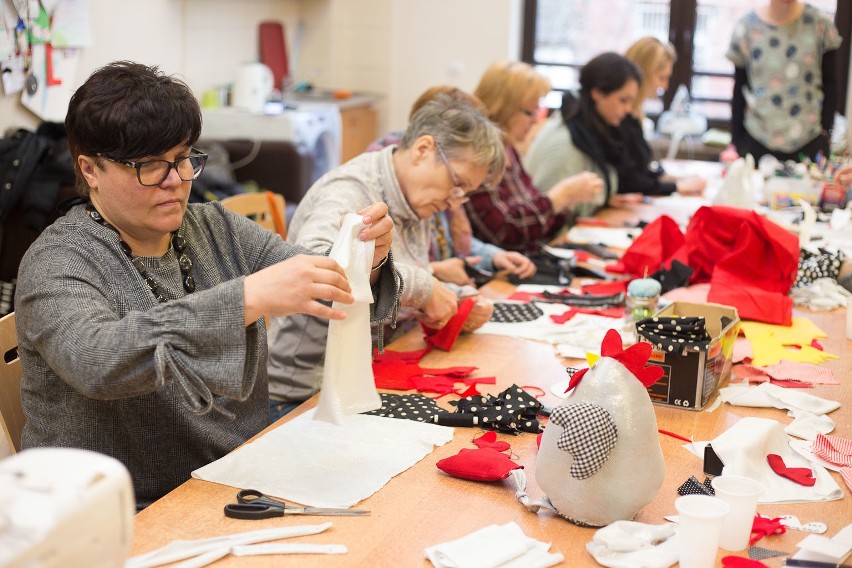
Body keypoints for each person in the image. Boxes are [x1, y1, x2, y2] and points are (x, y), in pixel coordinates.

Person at [14, 61, 398, 510]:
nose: (176, 181)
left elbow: (318, 277)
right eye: (150, 166)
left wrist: (364, 258)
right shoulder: (58, 260)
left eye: (182, 159)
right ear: (91, 169)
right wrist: (246, 298)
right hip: (118, 510)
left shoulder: (214, 226)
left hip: (235, 473)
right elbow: (99, 360)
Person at [266, 94, 506, 419]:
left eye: (463, 193)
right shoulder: (349, 190)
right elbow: (317, 273)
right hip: (308, 396)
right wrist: (426, 288)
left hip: (369, 375)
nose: (454, 202)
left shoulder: (414, 196)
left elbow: (398, 276)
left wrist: (455, 299)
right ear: (423, 150)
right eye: (457, 184)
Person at [366, 85, 537, 286]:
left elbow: (447, 241)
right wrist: (435, 271)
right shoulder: (391, 184)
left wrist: (493, 257)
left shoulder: (441, 180)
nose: (454, 199)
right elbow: (377, 270)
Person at [524, 53, 705, 212]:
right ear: (598, 94)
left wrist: (603, 200)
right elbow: (547, 207)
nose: (627, 109)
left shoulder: (588, 127)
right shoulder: (567, 139)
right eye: (623, 100)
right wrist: (600, 200)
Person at [464, 61, 604, 253]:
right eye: (530, 112)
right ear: (503, 107)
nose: (535, 119)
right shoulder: (477, 154)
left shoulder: (508, 147)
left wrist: (564, 203)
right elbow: (503, 233)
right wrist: (560, 197)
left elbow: (535, 224)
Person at [726, 0, 842, 162]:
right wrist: (736, 141)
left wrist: (826, 132)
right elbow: (739, 89)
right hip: (757, 139)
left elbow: (831, 84)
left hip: (809, 140)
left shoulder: (820, 24)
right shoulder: (747, 27)